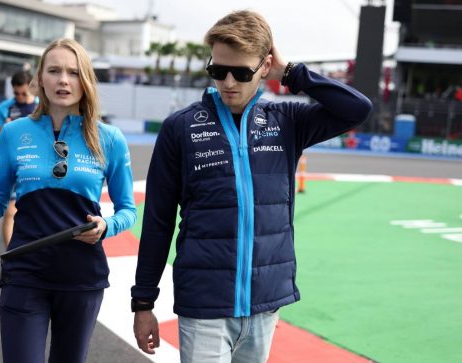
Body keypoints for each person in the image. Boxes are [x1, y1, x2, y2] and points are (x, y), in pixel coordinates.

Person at [131, 10, 372, 363]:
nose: (228, 81)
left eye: (241, 72)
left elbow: (356, 108)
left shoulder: (287, 121)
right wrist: (143, 302)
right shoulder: (179, 128)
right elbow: (157, 221)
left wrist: (293, 74)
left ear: (265, 66)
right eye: (218, 70)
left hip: (265, 303)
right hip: (205, 305)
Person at [0, 38, 137, 363]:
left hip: (81, 276)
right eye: (54, 71)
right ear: (40, 78)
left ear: (85, 79)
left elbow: (129, 210)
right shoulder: (14, 133)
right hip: (25, 271)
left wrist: (106, 226)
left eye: (73, 72)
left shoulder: (109, 138)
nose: (64, 80)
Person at [0, 70, 39, 247]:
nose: (20, 97)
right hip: (14, 165)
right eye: (16, 93)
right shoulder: (6, 107)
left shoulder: (42, 106)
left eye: (24, 93)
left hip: (38, 164)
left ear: (32, 89)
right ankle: (11, 257)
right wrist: (5, 127)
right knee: (11, 212)